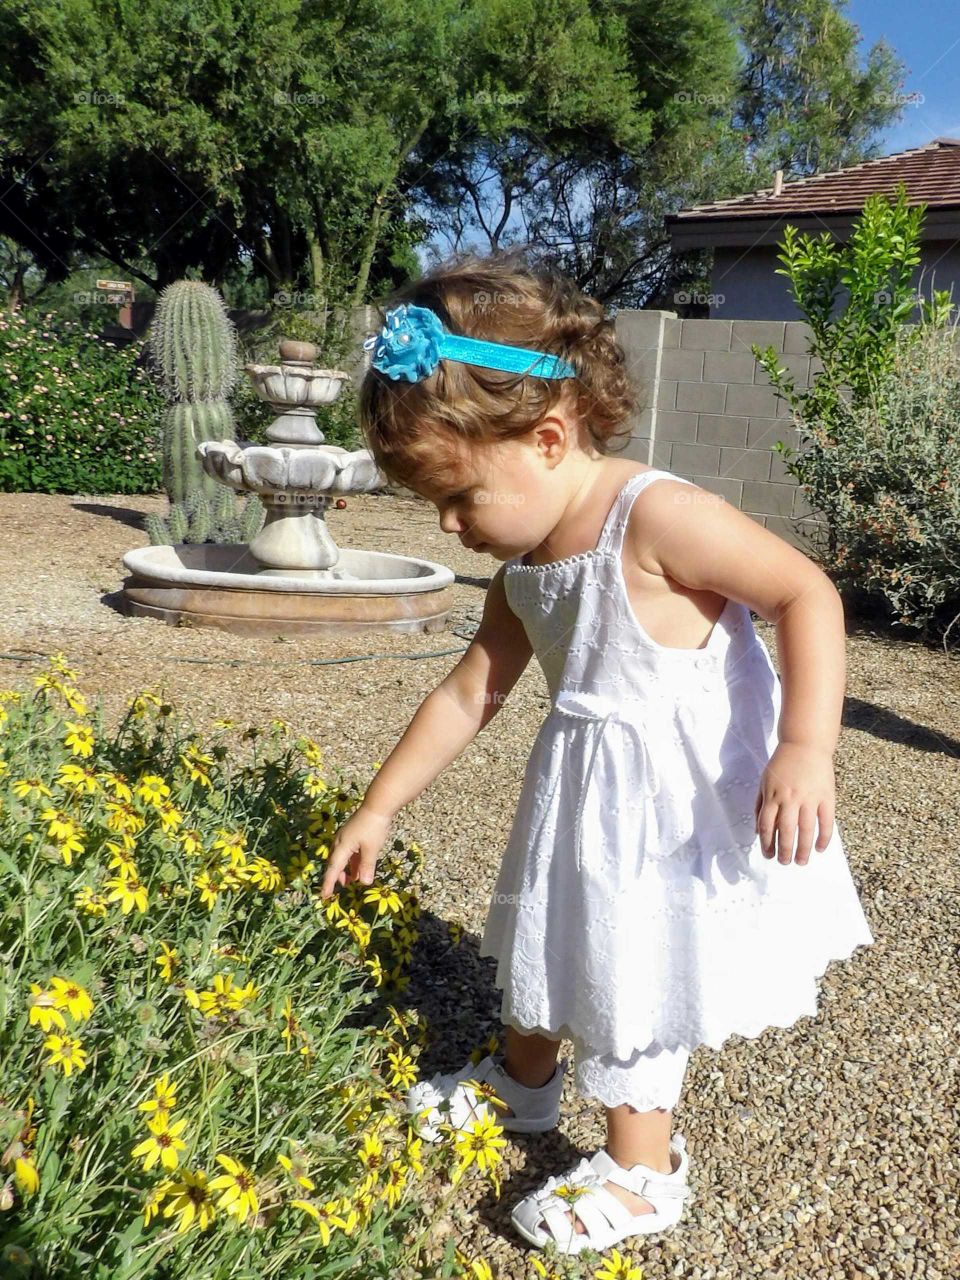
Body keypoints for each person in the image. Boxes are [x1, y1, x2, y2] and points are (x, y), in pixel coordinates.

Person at [319, 249, 875, 1257]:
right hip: (583, 795)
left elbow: (806, 593)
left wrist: (806, 744)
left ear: (546, 436)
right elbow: (469, 691)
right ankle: (526, 1084)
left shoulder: (654, 516)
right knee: (554, 934)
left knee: (632, 965)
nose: (450, 524)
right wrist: (380, 804)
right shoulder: (527, 565)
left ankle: (643, 1168)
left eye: (460, 497)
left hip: (675, 806)